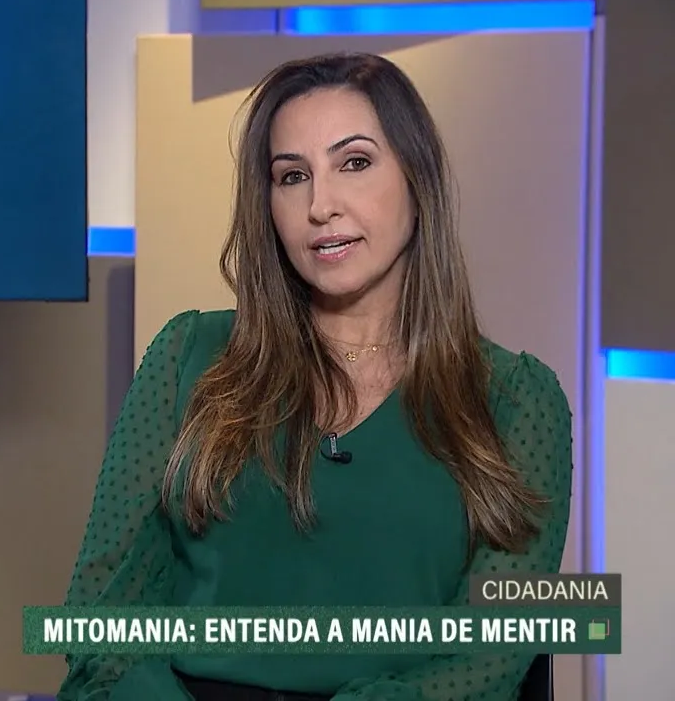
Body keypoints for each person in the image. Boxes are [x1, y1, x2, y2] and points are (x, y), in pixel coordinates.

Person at [57, 52, 573, 701]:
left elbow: (488, 660)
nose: (319, 206)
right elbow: (102, 613)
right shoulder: (187, 355)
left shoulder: (518, 400)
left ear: (418, 178)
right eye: (292, 176)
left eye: (353, 163)